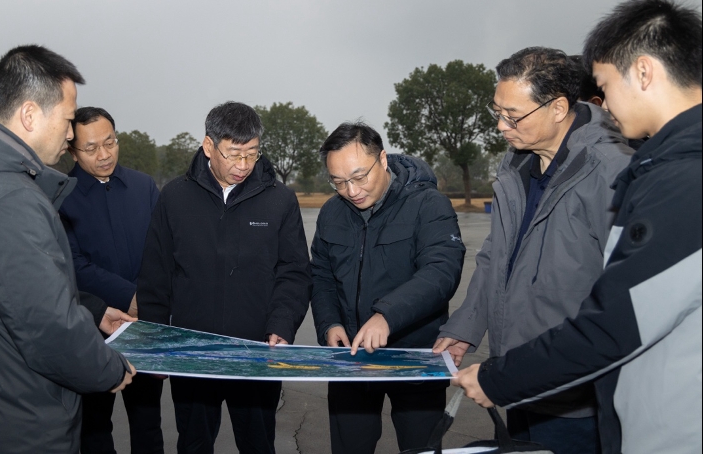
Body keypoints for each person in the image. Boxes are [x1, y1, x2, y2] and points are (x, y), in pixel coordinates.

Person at [454, 0, 702, 454]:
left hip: (617, 406)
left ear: (643, 72)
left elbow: (615, 322)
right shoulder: (519, 168)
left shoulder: (669, 177)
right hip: (543, 376)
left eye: (604, 85)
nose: (603, 102)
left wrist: (501, 378)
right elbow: (496, 258)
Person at [0, 45, 135, 453]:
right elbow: (49, 328)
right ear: (30, 115)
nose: (70, 135)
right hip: (14, 426)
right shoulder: (10, 197)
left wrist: (91, 310)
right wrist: (108, 368)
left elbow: (2, 295)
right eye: (67, 120)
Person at [433, 46, 633, 454]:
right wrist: (465, 327)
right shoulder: (516, 166)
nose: (501, 126)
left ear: (558, 108)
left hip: (576, 392)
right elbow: (495, 255)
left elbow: (625, 297)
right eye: (497, 112)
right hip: (516, 375)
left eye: (513, 115)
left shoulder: (612, 170)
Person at [138, 101, 312, 454]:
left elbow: (294, 272)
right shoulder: (175, 197)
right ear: (208, 146)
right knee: (194, 443)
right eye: (234, 154)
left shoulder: (279, 200)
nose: (244, 165)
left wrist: (282, 324)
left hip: (257, 351)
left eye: (252, 153)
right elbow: (156, 275)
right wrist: (155, 345)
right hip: (193, 352)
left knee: (258, 444)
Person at [310, 122, 464, 454]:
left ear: (382, 159)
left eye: (359, 177)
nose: (352, 191)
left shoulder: (428, 205)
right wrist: (329, 323)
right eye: (339, 182)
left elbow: (441, 271)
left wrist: (387, 316)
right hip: (351, 358)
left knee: (420, 447)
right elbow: (322, 275)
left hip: (415, 356)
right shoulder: (332, 212)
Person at [59, 106, 163, 453]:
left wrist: (148, 300)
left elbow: (163, 250)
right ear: (73, 150)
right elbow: (72, 264)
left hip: (142, 325)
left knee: (148, 423)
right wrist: (130, 296)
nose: (104, 155)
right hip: (90, 327)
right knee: (93, 427)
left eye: (110, 143)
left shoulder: (143, 187)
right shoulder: (60, 196)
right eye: (91, 148)